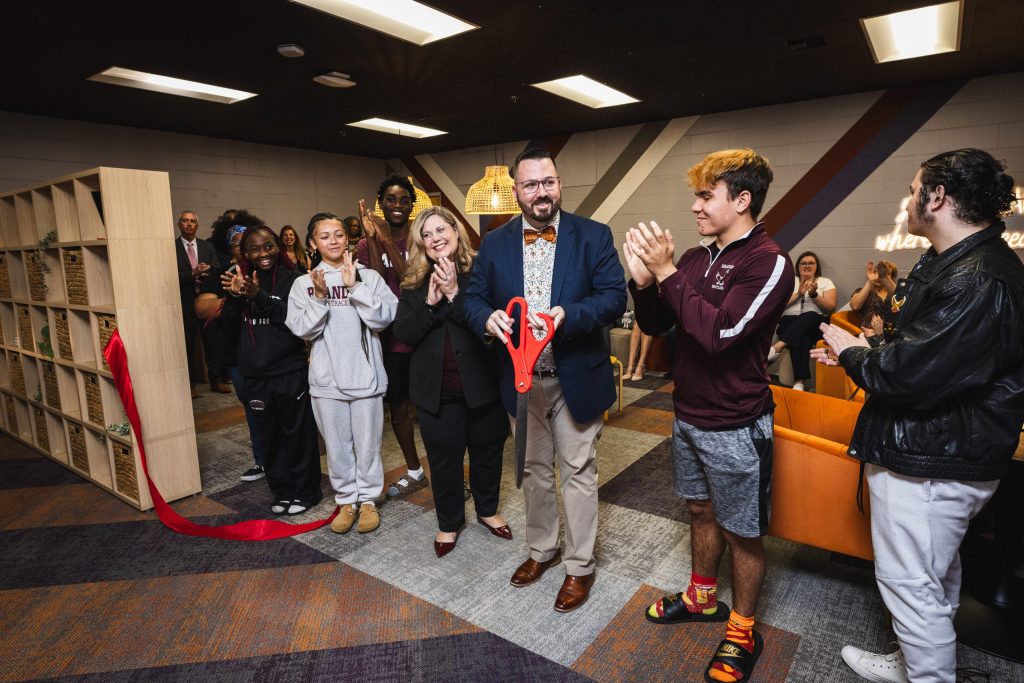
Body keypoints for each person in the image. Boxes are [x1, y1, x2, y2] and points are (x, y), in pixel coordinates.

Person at [812, 148, 1024, 683]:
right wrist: (863, 350)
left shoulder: (977, 278)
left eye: (912, 191)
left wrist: (856, 356)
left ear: (938, 197)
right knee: (933, 575)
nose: (906, 201)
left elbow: (909, 374)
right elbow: (926, 350)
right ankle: (913, 664)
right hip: (936, 449)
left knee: (911, 585)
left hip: (934, 459)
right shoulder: (955, 261)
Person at [626, 148, 793, 683]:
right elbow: (659, 325)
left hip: (737, 424)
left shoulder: (768, 261)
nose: (695, 206)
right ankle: (702, 597)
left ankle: (742, 629)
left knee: (742, 532)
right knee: (699, 511)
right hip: (688, 415)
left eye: (705, 196)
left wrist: (666, 271)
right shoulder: (699, 260)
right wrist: (644, 283)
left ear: (742, 200)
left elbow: (720, 333)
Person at [463, 148, 626, 612]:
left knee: (577, 472)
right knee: (533, 471)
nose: (541, 192)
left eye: (549, 182)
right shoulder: (494, 243)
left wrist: (567, 315)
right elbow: (473, 298)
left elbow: (614, 298)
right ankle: (542, 549)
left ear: (559, 184)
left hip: (575, 377)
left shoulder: (593, 235)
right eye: (531, 184)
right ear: (516, 190)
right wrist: (486, 317)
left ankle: (579, 565)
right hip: (521, 382)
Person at [393, 206, 511, 557]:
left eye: (441, 230)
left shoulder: (481, 273)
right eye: (426, 234)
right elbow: (404, 334)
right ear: (420, 243)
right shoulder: (413, 282)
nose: (435, 238)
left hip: (483, 384)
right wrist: (430, 304)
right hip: (436, 392)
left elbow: (489, 328)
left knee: (487, 453)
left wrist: (455, 293)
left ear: (456, 232)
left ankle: (487, 510)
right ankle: (449, 522)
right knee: (444, 461)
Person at [286, 212, 396, 534]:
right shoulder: (303, 284)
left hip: (366, 378)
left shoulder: (369, 277)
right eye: (324, 236)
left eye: (338, 234)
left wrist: (356, 288)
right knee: (336, 446)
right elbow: (302, 330)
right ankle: (347, 499)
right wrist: (320, 298)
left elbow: (383, 319)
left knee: (368, 444)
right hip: (326, 380)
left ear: (347, 239)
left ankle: (368, 500)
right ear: (313, 242)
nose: (333, 241)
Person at [221, 225, 322, 515]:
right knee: (270, 436)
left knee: (298, 434)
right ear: (245, 253)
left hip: (288, 370)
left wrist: (259, 296)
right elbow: (228, 327)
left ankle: (307, 492)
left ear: (278, 246)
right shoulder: (239, 280)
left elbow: (293, 322)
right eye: (254, 249)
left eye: (268, 246)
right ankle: (283, 491)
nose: (263, 253)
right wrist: (235, 297)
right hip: (255, 374)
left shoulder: (294, 280)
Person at [356, 176, 426, 499]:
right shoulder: (364, 242)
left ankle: (450, 473)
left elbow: (411, 280)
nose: (397, 205)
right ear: (380, 203)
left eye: (403, 200)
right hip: (390, 338)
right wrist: (374, 240)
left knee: (432, 409)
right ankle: (414, 471)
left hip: (423, 334)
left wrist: (385, 240)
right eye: (390, 199)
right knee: (398, 410)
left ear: (412, 205)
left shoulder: (421, 238)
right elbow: (375, 282)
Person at [196, 210, 268, 481]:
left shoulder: (268, 269)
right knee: (254, 406)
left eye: (247, 238)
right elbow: (202, 308)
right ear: (229, 247)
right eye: (236, 241)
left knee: (280, 406)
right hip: (239, 354)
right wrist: (234, 295)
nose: (242, 244)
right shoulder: (221, 274)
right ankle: (262, 461)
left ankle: (285, 458)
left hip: (271, 351)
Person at [766, 250, 837, 390]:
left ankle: (779, 346)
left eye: (811, 263)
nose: (807, 266)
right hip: (789, 322)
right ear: (798, 266)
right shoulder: (788, 281)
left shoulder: (825, 282)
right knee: (802, 337)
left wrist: (814, 295)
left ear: (816, 266)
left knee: (810, 315)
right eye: (803, 263)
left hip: (815, 323)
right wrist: (798, 294)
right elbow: (777, 306)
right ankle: (799, 382)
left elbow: (830, 307)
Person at [174, 210, 216, 399]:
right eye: (185, 221)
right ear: (179, 225)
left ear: (197, 225)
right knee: (188, 344)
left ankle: (216, 380)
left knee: (212, 341)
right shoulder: (172, 247)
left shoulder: (206, 246)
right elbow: (170, 275)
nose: (189, 224)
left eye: (192, 221)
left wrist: (206, 272)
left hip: (206, 300)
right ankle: (190, 385)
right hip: (185, 302)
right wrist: (192, 274)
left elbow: (217, 268)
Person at [849, 259, 897, 337]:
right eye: (877, 272)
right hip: (866, 334)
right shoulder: (863, 291)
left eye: (885, 274)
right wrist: (870, 281)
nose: (879, 276)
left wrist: (882, 331)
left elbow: (904, 305)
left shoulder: (896, 294)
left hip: (890, 334)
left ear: (892, 277)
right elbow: (855, 306)